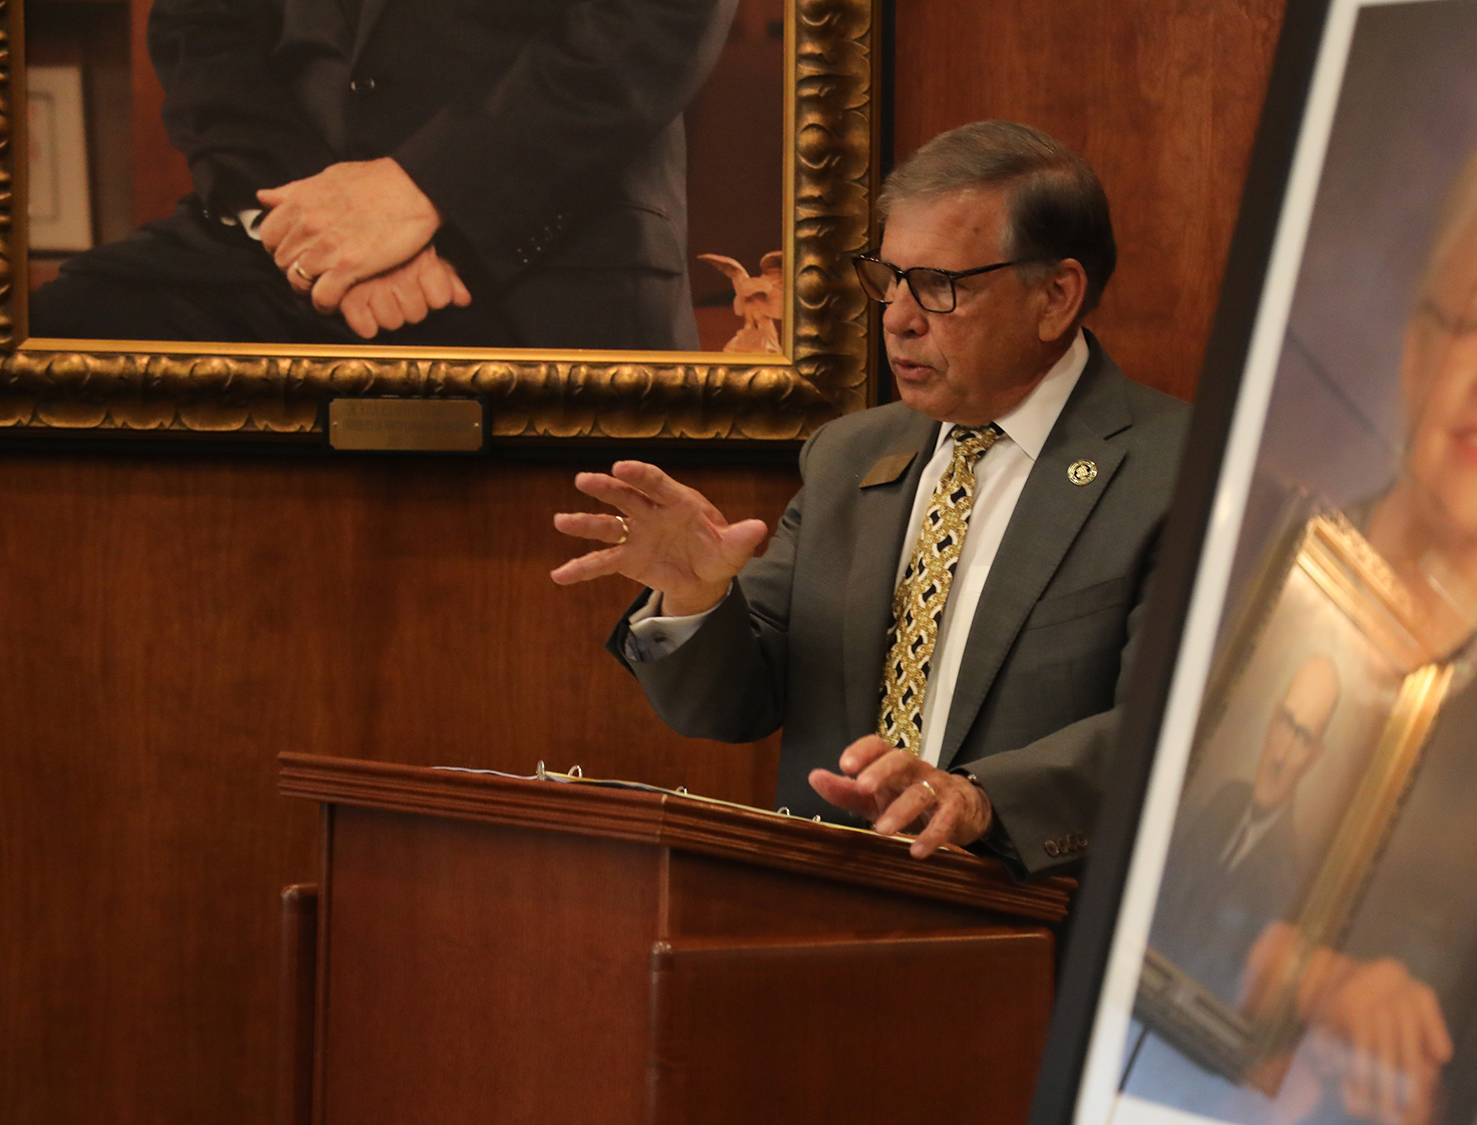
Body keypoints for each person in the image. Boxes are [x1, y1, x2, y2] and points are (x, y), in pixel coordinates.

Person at [1123, 69, 1477, 1125]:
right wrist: (1299, 975)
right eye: (1474, 320)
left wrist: (1420, 1082)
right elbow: (1161, 876)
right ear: (1411, 343)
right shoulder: (1297, 553)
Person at [551, 121, 1189, 876]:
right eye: (889, 279)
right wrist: (692, 597)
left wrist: (982, 800)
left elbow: (1183, 729)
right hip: (828, 924)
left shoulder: (1180, 469)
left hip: (1034, 934)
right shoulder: (848, 456)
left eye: (939, 287)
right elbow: (731, 704)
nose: (897, 318)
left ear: (1055, 296)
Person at [29, 0, 732, 348]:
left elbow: (655, 20)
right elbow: (202, 30)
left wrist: (427, 188)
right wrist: (318, 229)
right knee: (40, 350)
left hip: (554, 248)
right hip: (272, 232)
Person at [1150, 655, 1342, 1003]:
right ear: (1272, 720)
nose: (1280, 754)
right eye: (1285, 722)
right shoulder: (1225, 800)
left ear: (1314, 755)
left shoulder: (1288, 876)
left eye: (1301, 737)